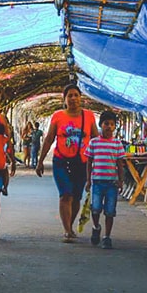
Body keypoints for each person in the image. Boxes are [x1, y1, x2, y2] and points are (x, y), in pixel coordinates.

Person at [36, 83, 97, 243]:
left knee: (76, 196)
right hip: (61, 161)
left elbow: (96, 140)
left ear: (80, 98)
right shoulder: (58, 116)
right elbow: (49, 139)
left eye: (76, 95)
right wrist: (40, 161)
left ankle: (69, 225)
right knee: (65, 194)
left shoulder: (89, 116)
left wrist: (98, 161)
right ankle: (67, 230)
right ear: (64, 99)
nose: (73, 98)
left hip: (82, 162)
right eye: (69, 95)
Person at [84, 110, 124, 249]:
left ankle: (107, 236)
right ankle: (96, 227)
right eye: (106, 123)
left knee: (110, 211)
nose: (109, 127)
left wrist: (121, 181)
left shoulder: (117, 144)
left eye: (112, 124)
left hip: (112, 183)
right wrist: (88, 180)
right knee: (95, 208)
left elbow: (120, 163)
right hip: (97, 182)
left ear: (115, 127)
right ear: (101, 125)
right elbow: (89, 161)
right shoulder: (94, 142)